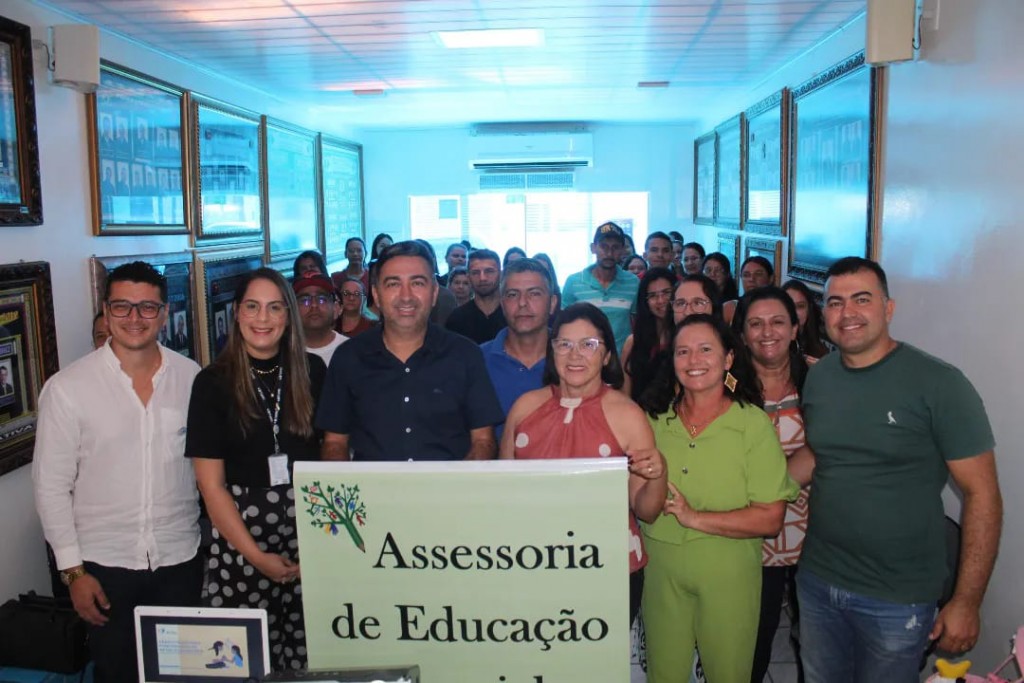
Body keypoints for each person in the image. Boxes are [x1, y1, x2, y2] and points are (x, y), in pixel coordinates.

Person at [789, 257, 1002, 683]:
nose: (847, 313)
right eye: (835, 302)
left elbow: (983, 495)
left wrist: (966, 601)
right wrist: (750, 489)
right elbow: (820, 451)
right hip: (817, 580)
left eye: (861, 299)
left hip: (897, 597)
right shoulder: (821, 376)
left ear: (888, 308)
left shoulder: (939, 384)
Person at [33, 261, 203, 683]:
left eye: (147, 307)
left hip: (179, 561)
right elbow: (51, 487)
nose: (134, 318)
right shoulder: (68, 389)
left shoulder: (192, 378)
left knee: (182, 675)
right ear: (107, 312)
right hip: (103, 569)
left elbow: (205, 471)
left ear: (164, 313)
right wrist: (73, 572)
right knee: (117, 674)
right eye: (122, 307)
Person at [639, 313, 797, 683]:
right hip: (661, 570)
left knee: (728, 673)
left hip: (729, 572)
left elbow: (770, 518)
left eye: (705, 349)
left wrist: (695, 517)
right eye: (683, 351)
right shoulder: (653, 420)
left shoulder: (752, 424)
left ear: (728, 359)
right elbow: (638, 500)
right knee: (664, 675)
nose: (693, 360)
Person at [186, 268, 327, 672]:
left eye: (274, 308)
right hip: (241, 543)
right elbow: (211, 487)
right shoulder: (212, 383)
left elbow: (331, 461)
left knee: (308, 659)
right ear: (236, 313)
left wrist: (321, 548)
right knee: (246, 663)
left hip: (308, 541)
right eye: (252, 306)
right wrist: (257, 557)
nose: (263, 318)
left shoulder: (313, 371)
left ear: (288, 316)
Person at [500, 303, 666, 626]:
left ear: (606, 355)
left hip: (610, 567)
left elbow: (646, 510)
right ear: (552, 351)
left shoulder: (628, 415)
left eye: (588, 344)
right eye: (564, 344)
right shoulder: (523, 409)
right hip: (533, 563)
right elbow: (503, 493)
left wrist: (660, 474)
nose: (574, 355)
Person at [317, 240, 504, 462]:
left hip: (448, 484)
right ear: (376, 294)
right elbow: (334, 443)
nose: (406, 296)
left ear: (434, 292)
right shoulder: (348, 357)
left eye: (417, 283)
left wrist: (459, 482)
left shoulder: (466, 355)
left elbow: (483, 440)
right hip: (372, 484)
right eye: (393, 284)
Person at [732, 287, 812, 683]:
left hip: (817, 536)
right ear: (742, 334)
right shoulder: (725, 386)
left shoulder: (821, 378)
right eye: (756, 324)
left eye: (778, 322)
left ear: (795, 328)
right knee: (752, 643)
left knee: (817, 644)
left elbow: (834, 445)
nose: (768, 332)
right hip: (752, 537)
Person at [480, 258, 557, 438]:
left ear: (552, 303)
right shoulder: (477, 361)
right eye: (513, 294)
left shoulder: (573, 359)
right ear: (502, 303)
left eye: (534, 294)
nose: (522, 303)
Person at [562, 222, 639, 353]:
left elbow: (638, 325)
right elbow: (564, 327)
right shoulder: (574, 282)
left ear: (622, 250)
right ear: (593, 248)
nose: (609, 253)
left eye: (615, 247)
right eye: (604, 246)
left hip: (621, 360)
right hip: (584, 358)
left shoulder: (633, 283)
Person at [621, 267, 674, 402]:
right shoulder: (633, 343)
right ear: (645, 302)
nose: (660, 300)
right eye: (653, 295)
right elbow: (625, 397)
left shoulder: (688, 339)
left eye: (666, 293)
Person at [445, 248, 506, 344]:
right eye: (475, 273)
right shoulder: (456, 319)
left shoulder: (512, 314)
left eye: (489, 271)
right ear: (468, 277)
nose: (482, 278)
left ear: (501, 274)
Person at [293, 273, 347, 366]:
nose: (314, 305)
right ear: (293, 309)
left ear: (335, 307)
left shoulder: (351, 349)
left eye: (322, 299)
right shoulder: (284, 353)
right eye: (305, 300)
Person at [782, 279, 830, 359]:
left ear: (809, 308)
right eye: (788, 306)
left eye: (800, 306)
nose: (794, 312)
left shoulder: (825, 339)